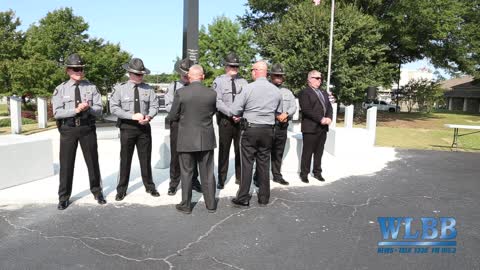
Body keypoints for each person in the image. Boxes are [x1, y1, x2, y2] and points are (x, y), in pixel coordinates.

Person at [52, 53, 106, 210]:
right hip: (68, 129)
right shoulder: (60, 89)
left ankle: (97, 192)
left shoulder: (91, 87)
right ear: (68, 70)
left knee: (93, 162)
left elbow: (100, 110)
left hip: (86, 128)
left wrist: (89, 108)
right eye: (75, 69)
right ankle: (63, 197)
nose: (79, 72)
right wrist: (75, 110)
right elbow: (57, 113)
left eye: (81, 69)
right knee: (66, 165)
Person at [230, 61, 283, 207]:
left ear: (255, 71)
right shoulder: (276, 91)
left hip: (251, 129)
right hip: (268, 130)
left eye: (252, 70)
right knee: (264, 163)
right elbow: (279, 112)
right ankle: (264, 197)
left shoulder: (248, 89)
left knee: (247, 164)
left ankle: (243, 197)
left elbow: (234, 110)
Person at [167, 65, 217, 214]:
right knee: (207, 172)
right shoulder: (212, 93)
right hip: (206, 137)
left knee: (186, 172)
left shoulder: (181, 93)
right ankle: (211, 204)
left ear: (189, 76)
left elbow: (173, 115)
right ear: (202, 76)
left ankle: (186, 205)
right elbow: (213, 111)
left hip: (186, 138)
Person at [110, 58, 160, 201]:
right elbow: (114, 108)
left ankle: (150, 186)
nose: (140, 77)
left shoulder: (148, 89)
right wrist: (131, 116)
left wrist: (149, 117)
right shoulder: (120, 89)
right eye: (137, 74)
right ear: (130, 73)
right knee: (125, 159)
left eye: (142, 74)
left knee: (145, 158)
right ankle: (121, 189)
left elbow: (154, 106)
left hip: (144, 127)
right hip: (127, 127)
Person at [253, 63, 297, 187]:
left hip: (282, 127)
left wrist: (286, 114)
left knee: (278, 152)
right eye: (276, 75)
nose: (278, 78)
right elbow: (261, 106)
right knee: (263, 153)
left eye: (280, 76)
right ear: (270, 76)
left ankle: (277, 175)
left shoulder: (288, 92)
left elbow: (293, 106)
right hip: (268, 126)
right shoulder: (265, 89)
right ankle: (258, 177)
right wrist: (276, 114)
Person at [164, 58, 202, 195]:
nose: (186, 76)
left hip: (192, 124)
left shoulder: (197, 86)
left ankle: (194, 180)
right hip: (178, 123)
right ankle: (174, 182)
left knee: (194, 153)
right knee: (176, 154)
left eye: (188, 73)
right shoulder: (173, 86)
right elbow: (167, 105)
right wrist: (179, 111)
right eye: (183, 73)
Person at [212, 52, 248, 189]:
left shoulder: (243, 82)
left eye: (236, 66)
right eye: (231, 65)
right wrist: (231, 113)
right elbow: (217, 101)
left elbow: (246, 100)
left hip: (240, 121)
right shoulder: (218, 81)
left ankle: (240, 177)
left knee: (240, 150)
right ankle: (221, 178)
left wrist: (239, 113)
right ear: (226, 66)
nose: (234, 68)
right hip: (225, 121)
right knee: (224, 150)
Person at [298, 70, 333, 183]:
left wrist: (329, 117)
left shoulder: (323, 92)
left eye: (320, 78)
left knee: (319, 152)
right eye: (317, 78)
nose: (320, 80)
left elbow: (329, 107)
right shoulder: (304, 92)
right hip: (310, 127)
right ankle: (304, 174)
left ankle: (317, 172)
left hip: (322, 128)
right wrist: (321, 119)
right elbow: (307, 110)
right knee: (307, 152)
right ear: (309, 79)